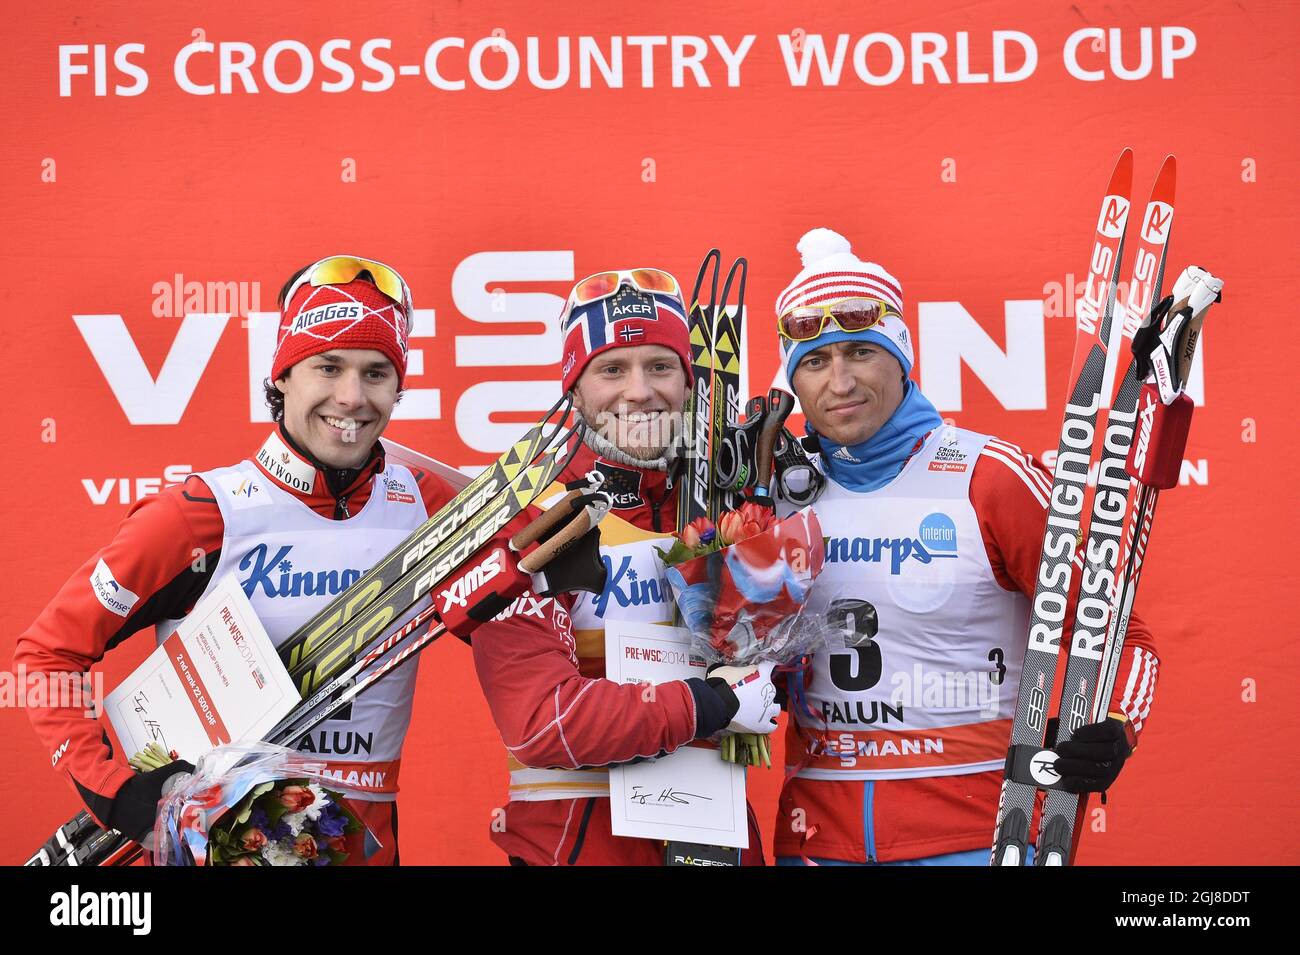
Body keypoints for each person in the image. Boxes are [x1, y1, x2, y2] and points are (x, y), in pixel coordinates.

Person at [15, 255, 457, 865]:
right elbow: (47, 653)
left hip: (361, 845)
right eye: (328, 367)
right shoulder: (202, 514)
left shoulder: (428, 504)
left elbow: (523, 586)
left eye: (376, 373)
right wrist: (114, 792)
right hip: (218, 840)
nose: (352, 398)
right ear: (281, 377)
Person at [771, 229, 1160, 865]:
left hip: (977, 835)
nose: (838, 382)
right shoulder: (779, 492)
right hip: (817, 839)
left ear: (901, 356)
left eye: (859, 353)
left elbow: (1123, 634)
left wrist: (1116, 727)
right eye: (814, 361)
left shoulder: (989, 477)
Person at [469, 268, 779, 865]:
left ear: (690, 384)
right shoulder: (532, 519)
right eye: (612, 369)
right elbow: (540, 722)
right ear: (574, 389)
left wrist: (769, 662)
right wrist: (711, 703)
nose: (640, 392)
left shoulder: (720, 506)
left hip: (712, 831)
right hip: (577, 841)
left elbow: (770, 683)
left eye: (661, 367)